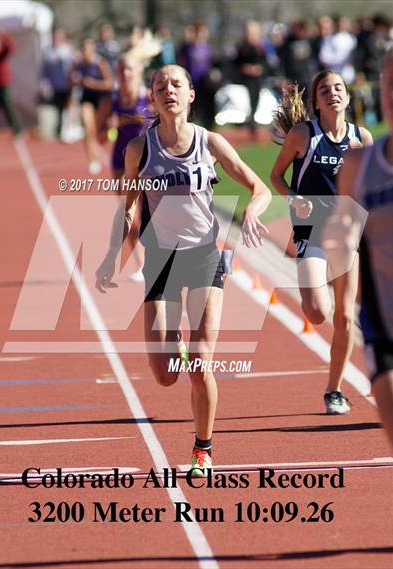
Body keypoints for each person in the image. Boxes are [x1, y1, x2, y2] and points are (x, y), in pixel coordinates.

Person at [95, 64, 271, 475]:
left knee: (201, 362)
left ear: (191, 94)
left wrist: (251, 212)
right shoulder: (140, 149)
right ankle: (176, 348)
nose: (168, 90)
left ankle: (202, 449)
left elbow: (258, 187)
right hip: (160, 259)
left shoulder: (210, 143)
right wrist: (110, 256)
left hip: (203, 256)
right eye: (160, 86)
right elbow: (129, 206)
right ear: (152, 99)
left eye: (176, 84)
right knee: (163, 374)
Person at [270, 71, 373, 414]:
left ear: (347, 96)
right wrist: (293, 199)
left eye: (338, 88)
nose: (333, 93)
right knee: (317, 312)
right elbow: (276, 176)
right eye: (324, 90)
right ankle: (317, 278)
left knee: (345, 317)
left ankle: (334, 390)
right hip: (311, 231)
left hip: (347, 237)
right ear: (315, 101)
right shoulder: (304, 135)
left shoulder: (362, 138)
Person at [324, 47, 393, 450]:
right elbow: (344, 225)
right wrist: (338, 235)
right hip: (385, 329)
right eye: (392, 84)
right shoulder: (360, 164)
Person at [109, 54, 152, 282]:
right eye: (123, 69)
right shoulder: (113, 97)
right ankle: (142, 264)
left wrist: (137, 120)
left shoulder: (149, 95)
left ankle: (159, 261)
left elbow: (164, 120)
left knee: (150, 213)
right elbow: (99, 129)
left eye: (130, 69)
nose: (126, 73)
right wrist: (109, 126)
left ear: (139, 72)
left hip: (147, 159)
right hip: (119, 160)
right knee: (129, 216)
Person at [71, 38, 113, 174]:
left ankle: (101, 140)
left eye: (88, 50)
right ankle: (92, 159)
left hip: (101, 98)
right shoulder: (79, 64)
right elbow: (69, 80)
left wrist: (93, 83)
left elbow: (110, 83)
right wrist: (74, 79)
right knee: (88, 129)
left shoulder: (100, 63)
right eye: (83, 50)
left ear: (93, 50)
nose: (85, 53)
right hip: (86, 98)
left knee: (98, 133)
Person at [40, 28, 74, 139]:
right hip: (54, 85)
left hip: (67, 84)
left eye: (59, 36)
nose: (56, 39)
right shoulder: (48, 52)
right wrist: (44, 83)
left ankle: (65, 129)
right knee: (55, 107)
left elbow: (73, 67)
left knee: (66, 107)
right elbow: (44, 70)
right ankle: (57, 129)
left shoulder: (68, 50)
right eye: (55, 36)